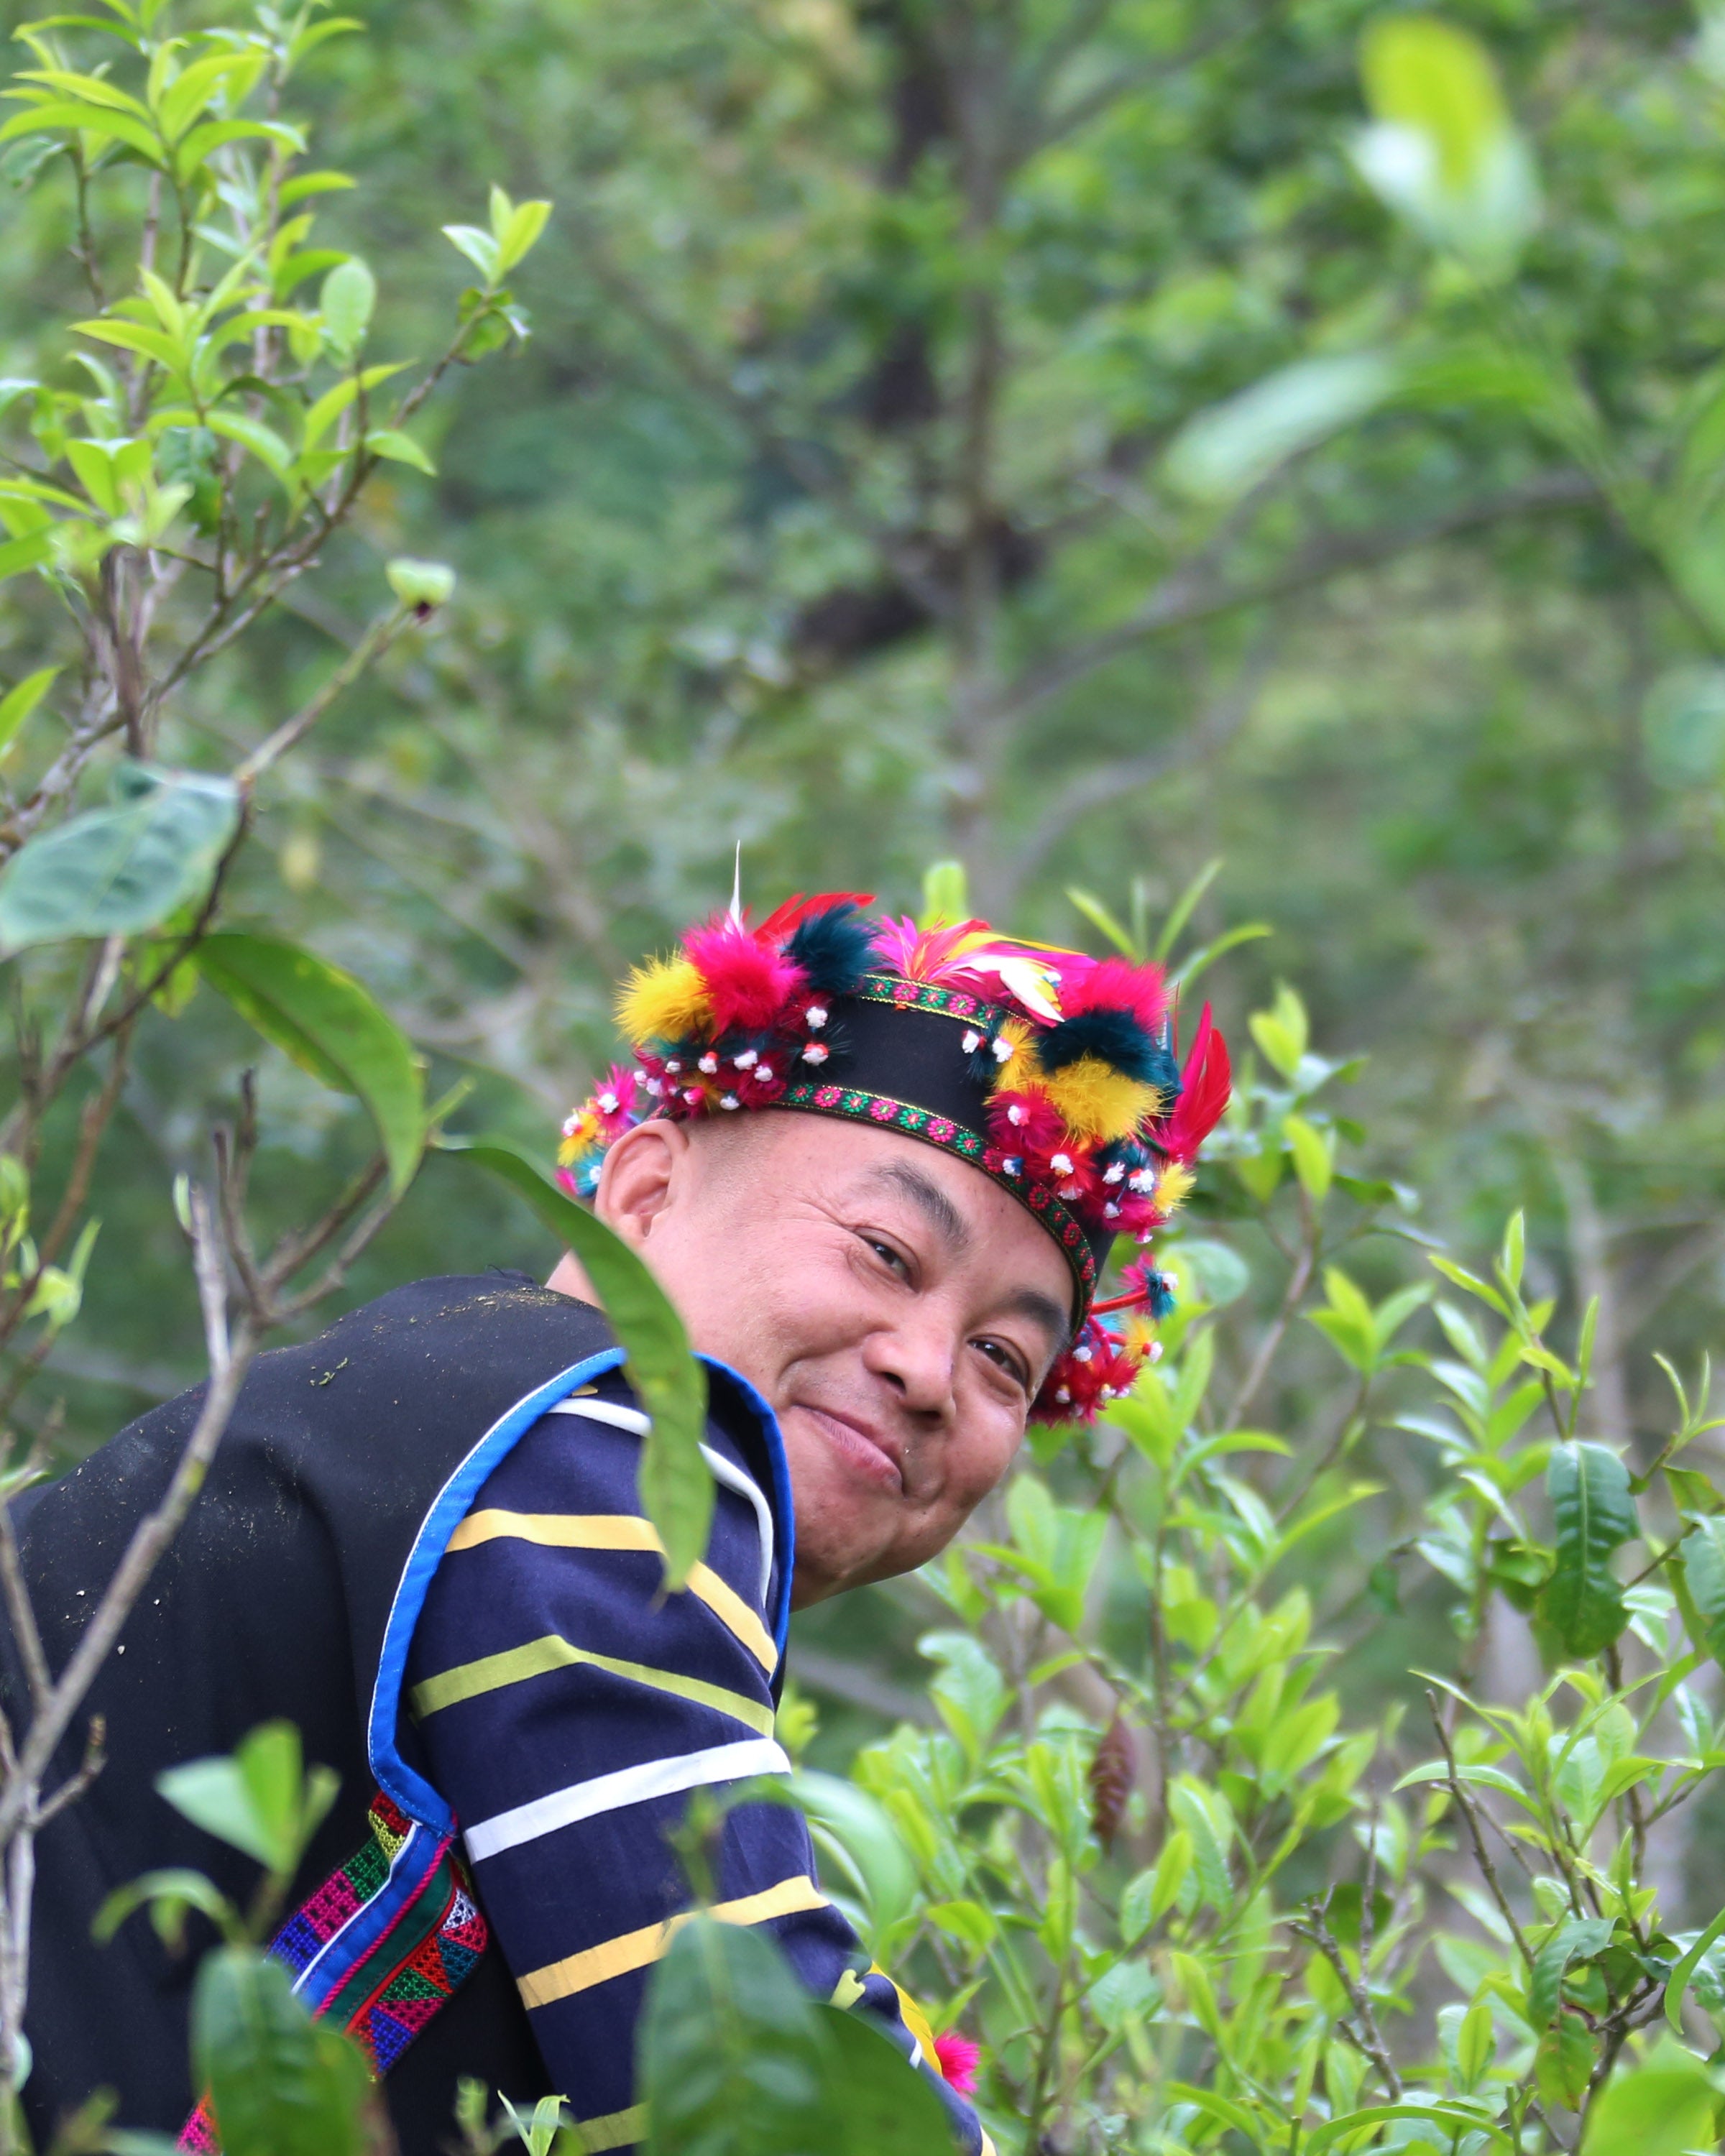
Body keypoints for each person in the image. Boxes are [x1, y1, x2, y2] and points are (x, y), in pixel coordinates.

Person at [12, 895, 1228, 2153]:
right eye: (883, 1249)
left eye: (1002, 1359)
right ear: (644, 1188)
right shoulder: (601, 1443)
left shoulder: (409, 1403)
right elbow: (761, 2103)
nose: (929, 1367)